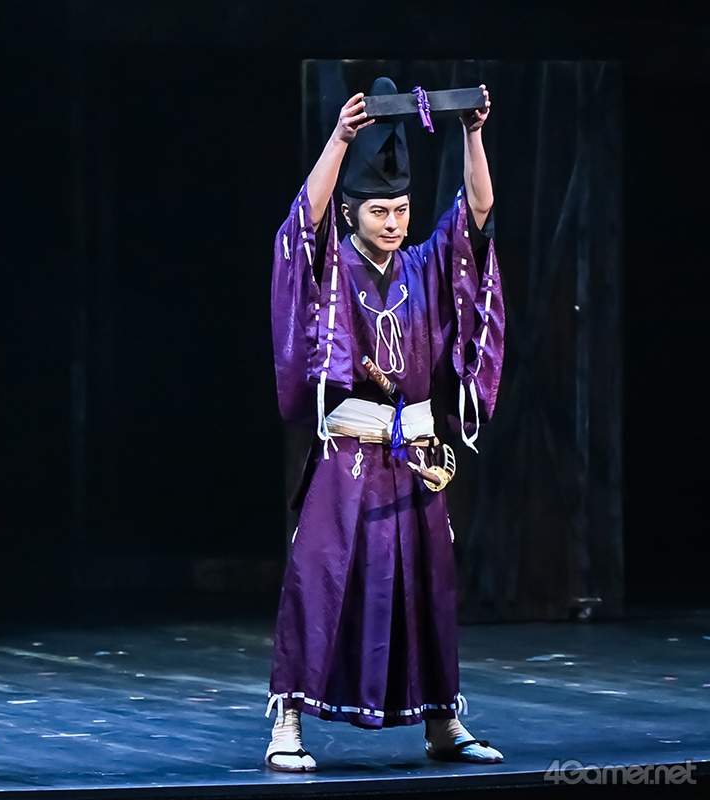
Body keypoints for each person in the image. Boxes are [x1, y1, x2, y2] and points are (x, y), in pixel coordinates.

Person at [265, 77, 504, 772]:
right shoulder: (332, 266)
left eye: (401, 209)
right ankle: (288, 723)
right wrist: (340, 140)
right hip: (351, 453)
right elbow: (300, 226)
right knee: (321, 580)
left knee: (428, 587)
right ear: (352, 212)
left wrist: (473, 134)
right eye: (380, 210)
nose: (394, 222)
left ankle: (442, 723)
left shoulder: (425, 266)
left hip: (415, 456)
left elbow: (478, 218)